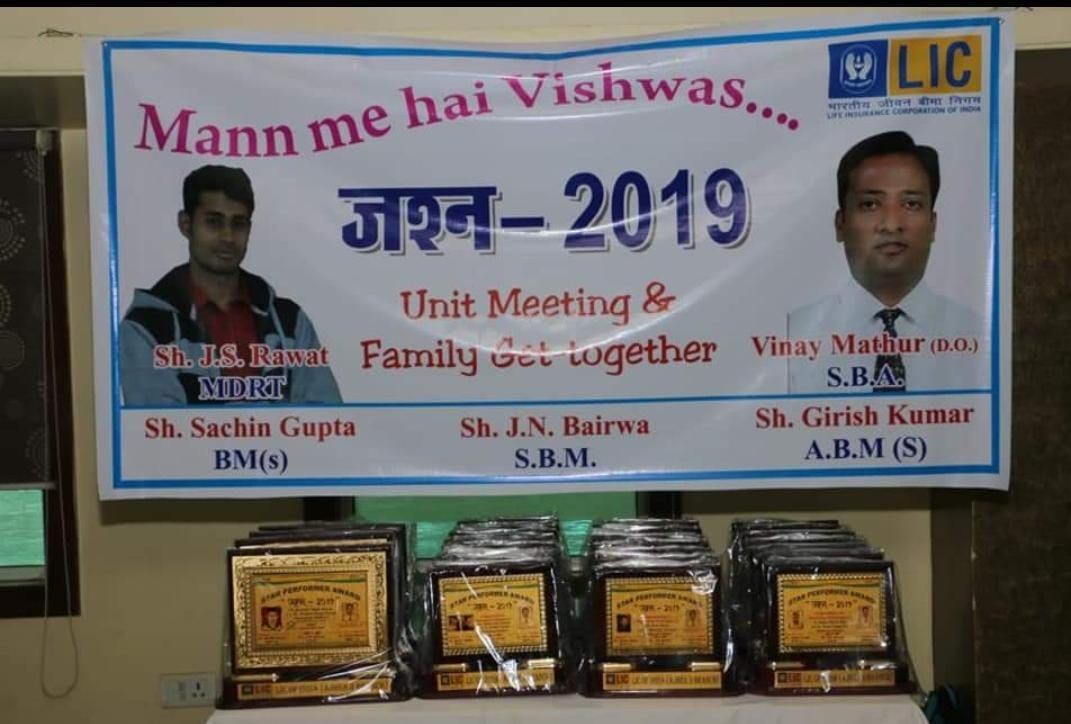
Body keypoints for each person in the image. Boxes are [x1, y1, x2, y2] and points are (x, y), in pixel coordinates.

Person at [119, 165, 341, 404]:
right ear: (185, 224)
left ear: (249, 229)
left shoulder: (290, 321)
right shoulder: (145, 325)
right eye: (213, 222)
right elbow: (158, 424)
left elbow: (325, 415)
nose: (228, 237)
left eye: (238, 224)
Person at [787, 131, 985, 394]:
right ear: (840, 224)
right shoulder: (791, 334)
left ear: (933, 224)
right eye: (870, 204)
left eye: (911, 204)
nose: (891, 225)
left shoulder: (978, 335)